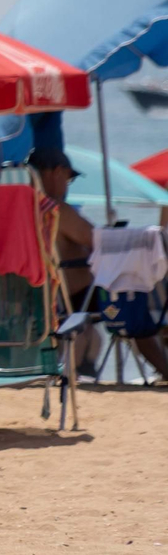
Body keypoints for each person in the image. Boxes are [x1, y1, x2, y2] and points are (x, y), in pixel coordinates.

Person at [35, 149, 168, 382]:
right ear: (57, 172)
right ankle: (165, 369)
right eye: (68, 178)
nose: (67, 185)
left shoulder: (28, 210)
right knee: (136, 300)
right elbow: (95, 240)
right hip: (78, 298)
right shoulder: (56, 209)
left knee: (135, 296)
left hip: (50, 295)